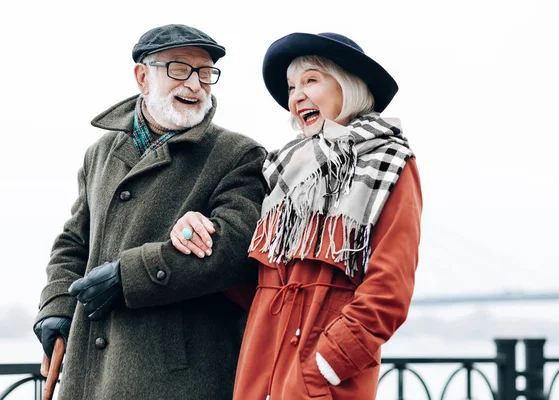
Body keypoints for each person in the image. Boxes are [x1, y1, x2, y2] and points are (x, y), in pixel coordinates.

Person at [171, 32, 422, 399]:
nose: (297, 96)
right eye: (291, 88)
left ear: (348, 85)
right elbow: (252, 284)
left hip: (324, 384)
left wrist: (325, 365)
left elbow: (390, 288)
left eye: (310, 80)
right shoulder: (281, 171)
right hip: (260, 376)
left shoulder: (391, 162)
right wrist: (196, 232)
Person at [32, 24, 266, 399]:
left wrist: (130, 275)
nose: (194, 84)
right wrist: (56, 305)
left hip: (180, 380)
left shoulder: (238, 154)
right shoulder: (100, 153)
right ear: (143, 76)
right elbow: (73, 241)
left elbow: (236, 248)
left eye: (205, 73)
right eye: (179, 69)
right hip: (88, 374)